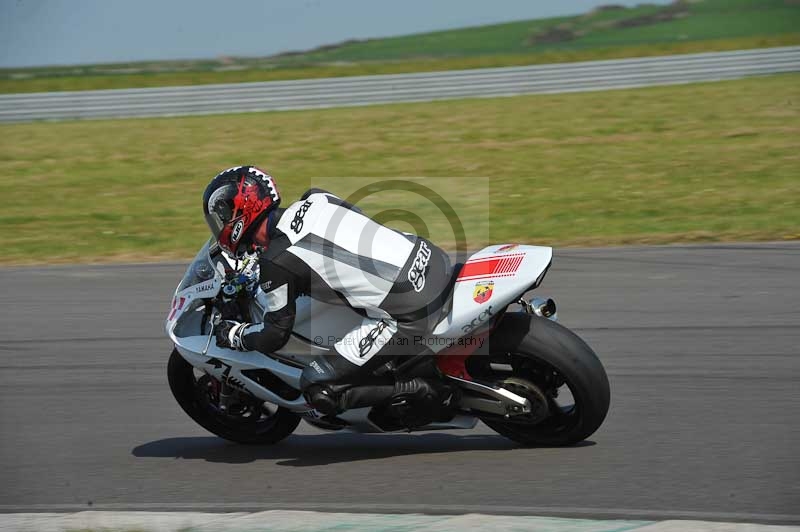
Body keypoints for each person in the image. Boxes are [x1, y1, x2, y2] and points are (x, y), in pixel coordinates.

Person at [203, 165, 453, 416]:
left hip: (410, 310)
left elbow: (274, 335)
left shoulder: (277, 262)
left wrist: (236, 334)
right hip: (430, 257)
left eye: (222, 217)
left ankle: (421, 389)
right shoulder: (316, 198)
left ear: (240, 213)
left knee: (317, 385)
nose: (221, 224)